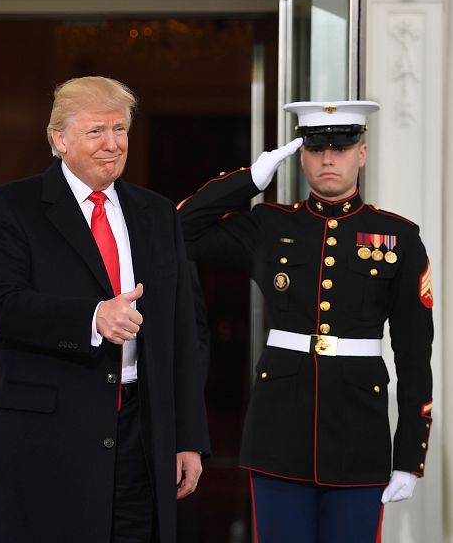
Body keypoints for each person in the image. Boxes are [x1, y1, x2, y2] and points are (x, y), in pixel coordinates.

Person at [178, 101, 434, 542]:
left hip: (360, 435)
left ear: (362, 154)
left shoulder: (399, 237)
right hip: (278, 432)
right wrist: (252, 179)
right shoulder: (270, 224)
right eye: (316, 149)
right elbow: (180, 229)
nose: (328, 159)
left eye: (341, 148)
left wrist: (410, 457)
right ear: (302, 157)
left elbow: (414, 355)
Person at [0, 76, 210, 543]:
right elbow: (3, 305)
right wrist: (92, 317)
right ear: (59, 139)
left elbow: (184, 330)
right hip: (48, 434)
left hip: (142, 431)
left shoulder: (157, 213)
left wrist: (188, 437)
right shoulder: (11, 206)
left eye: (120, 129)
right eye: (96, 131)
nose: (112, 144)